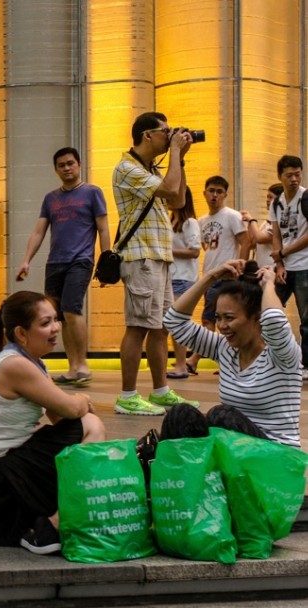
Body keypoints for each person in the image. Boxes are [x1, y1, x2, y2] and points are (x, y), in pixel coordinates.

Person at [0, 291, 105, 555]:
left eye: (55, 320)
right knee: (91, 424)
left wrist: (75, 409)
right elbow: (71, 408)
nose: (56, 328)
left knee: (86, 425)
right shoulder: (15, 365)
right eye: (45, 323)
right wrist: (82, 399)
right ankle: (49, 528)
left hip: (0, 466)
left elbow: (60, 415)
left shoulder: (31, 363)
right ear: (21, 334)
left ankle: (72, 510)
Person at [111, 112, 198, 416]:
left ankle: (160, 391)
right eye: (165, 132)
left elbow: (177, 202)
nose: (170, 135)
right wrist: (175, 151)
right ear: (147, 135)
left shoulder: (149, 169)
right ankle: (127, 396)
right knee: (137, 327)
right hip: (140, 257)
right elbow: (172, 191)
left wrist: (180, 159)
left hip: (159, 257)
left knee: (161, 328)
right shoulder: (126, 168)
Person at [162, 259, 301, 447]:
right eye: (218, 318)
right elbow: (174, 321)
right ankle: (178, 476)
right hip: (236, 456)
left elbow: (274, 321)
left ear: (257, 318)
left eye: (229, 318)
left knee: (220, 416)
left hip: (277, 460)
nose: (221, 326)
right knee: (180, 414)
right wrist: (211, 277)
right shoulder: (224, 348)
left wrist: (269, 283)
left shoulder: (282, 354)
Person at [15, 147, 111, 386]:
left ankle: (83, 365)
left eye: (70, 163)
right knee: (59, 316)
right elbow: (39, 231)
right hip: (55, 262)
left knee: (72, 309)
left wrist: (107, 258)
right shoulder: (51, 198)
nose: (67, 168)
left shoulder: (92, 192)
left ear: (78, 165)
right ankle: (73, 367)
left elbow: (104, 227)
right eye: (61, 165)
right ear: (56, 169)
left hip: (81, 260)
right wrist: (26, 259)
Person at [186, 176, 251, 374]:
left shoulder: (231, 216)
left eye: (219, 192)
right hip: (210, 276)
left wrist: (240, 270)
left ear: (225, 195)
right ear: (204, 193)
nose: (215, 195)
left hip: (228, 277)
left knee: (218, 321)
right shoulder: (201, 221)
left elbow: (246, 241)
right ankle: (225, 360)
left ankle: (194, 359)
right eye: (211, 190)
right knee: (210, 320)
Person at [269, 155, 308, 379]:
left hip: (305, 265)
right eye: (289, 175)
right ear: (280, 177)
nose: (294, 179)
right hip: (286, 267)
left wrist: (284, 252)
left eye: (297, 173)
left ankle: (306, 364)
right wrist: (279, 263)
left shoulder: (306, 197)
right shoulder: (277, 202)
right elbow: (276, 235)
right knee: (270, 311)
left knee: (306, 320)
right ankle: (274, 359)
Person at [166, 187, 201, 379]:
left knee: (177, 322)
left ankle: (181, 364)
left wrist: (168, 252)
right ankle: (179, 362)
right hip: (172, 276)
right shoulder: (172, 221)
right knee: (173, 322)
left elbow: (194, 251)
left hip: (184, 278)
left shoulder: (190, 223)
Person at [244, 183, 284, 268]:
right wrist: (249, 225)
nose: (267, 200)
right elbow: (253, 243)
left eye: (270, 197)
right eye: (267, 197)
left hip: (272, 270)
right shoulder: (266, 222)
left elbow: (260, 238)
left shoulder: (279, 222)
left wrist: (252, 220)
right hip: (261, 269)